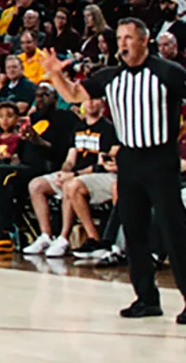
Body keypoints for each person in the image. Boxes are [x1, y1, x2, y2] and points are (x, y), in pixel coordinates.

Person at [39, 18, 186, 321]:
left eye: (129, 38)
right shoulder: (109, 76)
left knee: (174, 230)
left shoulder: (168, 72)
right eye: (119, 38)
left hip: (161, 158)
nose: (122, 44)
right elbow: (74, 95)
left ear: (144, 40)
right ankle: (146, 298)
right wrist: (55, 74)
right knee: (133, 230)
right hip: (129, 160)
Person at [23, 96, 118, 257]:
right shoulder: (78, 127)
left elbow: (101, 164)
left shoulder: (108, 128)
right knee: (36, 185)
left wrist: (73, 175)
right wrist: (64, 172)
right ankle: (46, 236)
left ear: (102, 103)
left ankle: (64, 237)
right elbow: (70, 159)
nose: (90, 103)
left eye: (94, 100)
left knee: (71, 185)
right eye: (87, 100)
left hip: (94, 175)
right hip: (75, 174)